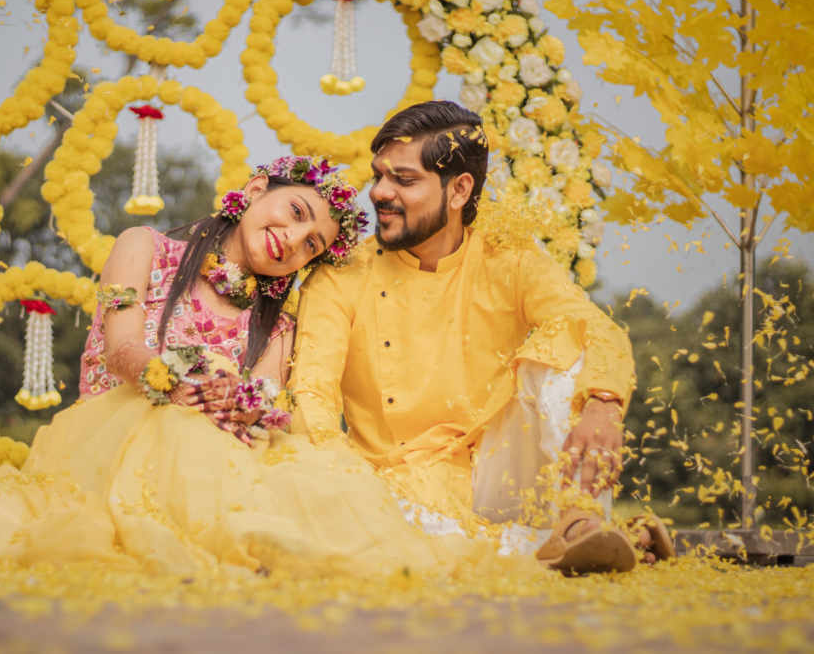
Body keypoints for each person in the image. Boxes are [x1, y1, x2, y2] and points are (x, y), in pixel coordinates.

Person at [0, 155, 540, 580]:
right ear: (254, 193)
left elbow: (269, 397)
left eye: (312, 243)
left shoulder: (277, 315)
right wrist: (187, 382)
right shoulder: (145, 247)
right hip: (119, 426)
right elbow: (121, 349)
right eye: (292, 213)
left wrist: (243, 404)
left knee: (312, 474)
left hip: (223, 447)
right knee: (171, 432)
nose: (293, 239)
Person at [288, 102, 675, 574]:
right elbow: (312, 391)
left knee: (565, 342)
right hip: (399, 483)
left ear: (459, 190)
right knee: (384, 525)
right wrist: (335, 479)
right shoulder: (344, 274)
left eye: (404, 180)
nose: (380, 193)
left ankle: (578, 517)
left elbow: (595, 327)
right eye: (379, 176)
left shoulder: (508, 258)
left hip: (503, 471)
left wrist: (604, 403)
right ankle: (579, 544)